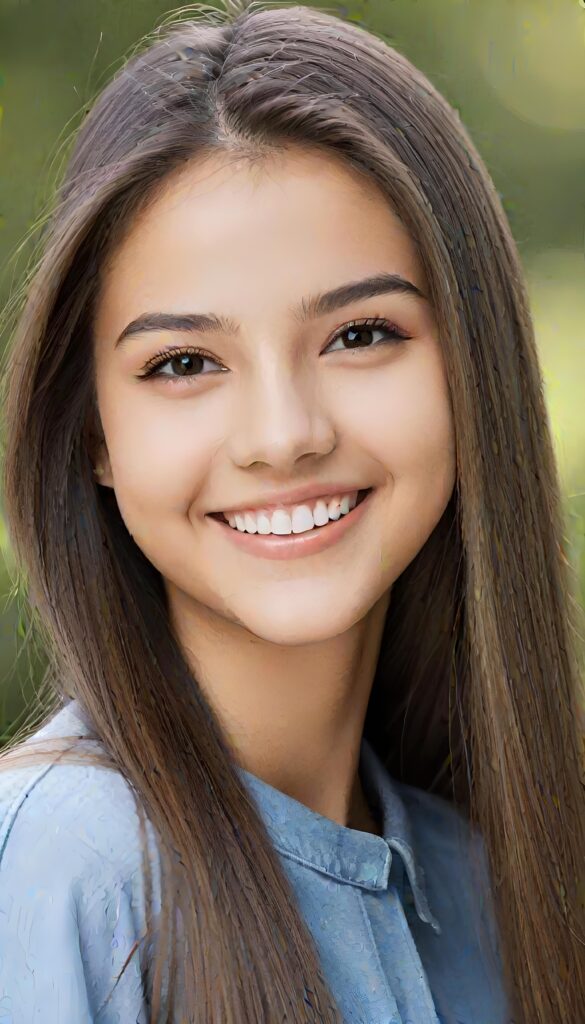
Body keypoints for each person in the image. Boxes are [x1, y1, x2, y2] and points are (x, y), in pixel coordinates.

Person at [0, 1, 583, 1022]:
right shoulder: (60, 867)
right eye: (183, 362)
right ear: (91, 431)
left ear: (470, 365)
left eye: (359, 335)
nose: (283, 434)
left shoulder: (499, 886)